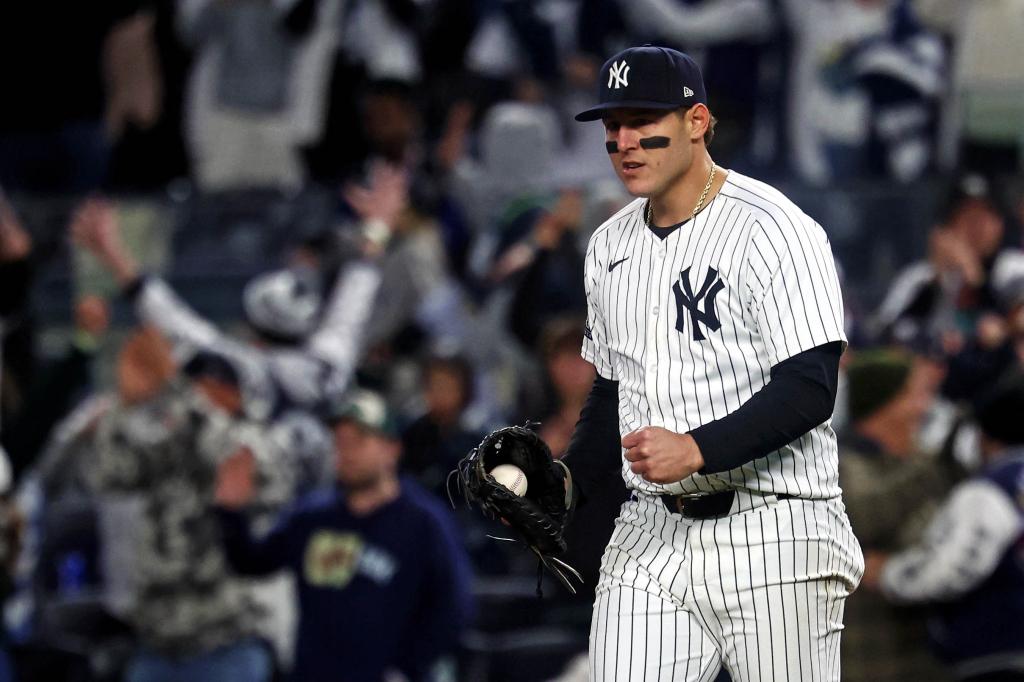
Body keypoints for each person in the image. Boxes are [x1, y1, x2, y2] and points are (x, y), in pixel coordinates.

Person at [565, 45, 863, 680]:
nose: (623, 142)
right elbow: (612, 393)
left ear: (696, 122)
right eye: (611, 126)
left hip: (776, 524)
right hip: (650, 534)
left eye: (643, 121)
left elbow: (810, 388)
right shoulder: (608, 246)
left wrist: (698, 448)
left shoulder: (776, 228)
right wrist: (567, 481)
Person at [213, 387, 475, 682]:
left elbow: (455, 607)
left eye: (359, 440)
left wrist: (408, 667)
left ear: (391, 449)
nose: (346, 452)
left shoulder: (423, 523)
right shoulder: (312, 516)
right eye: (340, 441)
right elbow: (252, 562)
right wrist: (230, 512)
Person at [872, 370, 1024, 682]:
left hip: (995, 652)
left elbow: (953, 569)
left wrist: (887, 574)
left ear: (987, 435)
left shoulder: (992, 489)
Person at [839, 348, 960, 681]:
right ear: (885, 402)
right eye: (915, 394)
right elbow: (861, 515)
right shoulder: (839, 463)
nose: (925, 407)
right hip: (870, 657)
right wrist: (931, 467)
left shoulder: (919, 460)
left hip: (928, 654)